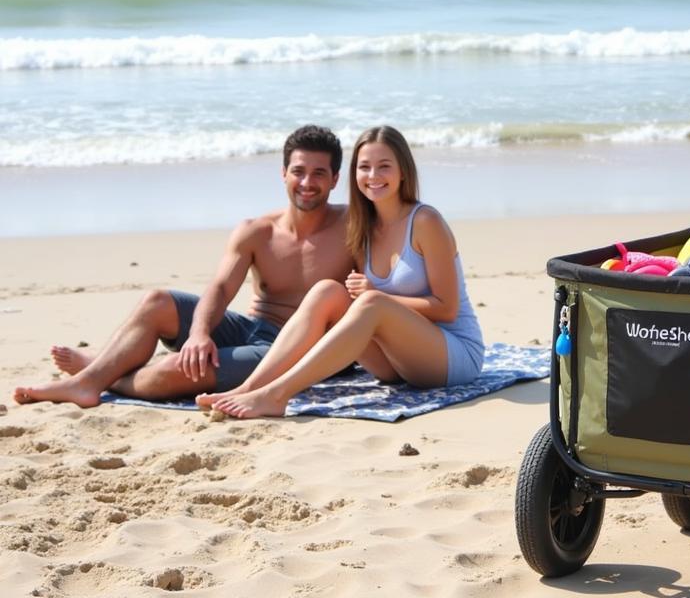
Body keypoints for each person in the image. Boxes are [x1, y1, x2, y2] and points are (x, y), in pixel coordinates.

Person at [13, 125, 352, 408]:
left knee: (175, 370)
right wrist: (200, 333)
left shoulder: (353, 227)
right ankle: (92, 379)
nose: (307, 182)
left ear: (335, 179)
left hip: (298, 347)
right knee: (158, 301)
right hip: (253, 329)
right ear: (283, 173)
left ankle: (104, 373)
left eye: (318, 173)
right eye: (298, 171)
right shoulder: (257, 231)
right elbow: (220, 288)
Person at [196, 125, 484, 419]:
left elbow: (446, 309)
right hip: (397, 364)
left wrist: (376, 294)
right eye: (364, 167)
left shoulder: (425, 221)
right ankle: (248, 388)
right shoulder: (363, 229)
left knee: (371, 303)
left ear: (403, 172)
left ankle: (277, 395)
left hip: (451, 355)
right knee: (327, 291)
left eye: (384, 166)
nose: (373, 176)